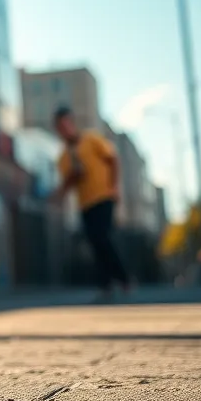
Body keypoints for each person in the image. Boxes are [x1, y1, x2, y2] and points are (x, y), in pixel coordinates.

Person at [50, 106, 130, 300]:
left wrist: (114, 186)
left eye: (67, 124)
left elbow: (112, 159)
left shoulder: (91, 139)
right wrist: (59, 194)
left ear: (72, 123)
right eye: (61, 126)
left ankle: (123, 278)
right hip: (85, 203)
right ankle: (106, 285)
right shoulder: (63, 158)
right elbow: (68, 182)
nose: (65, 129)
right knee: (94, 242)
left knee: (103, 238)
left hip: (103, 196)